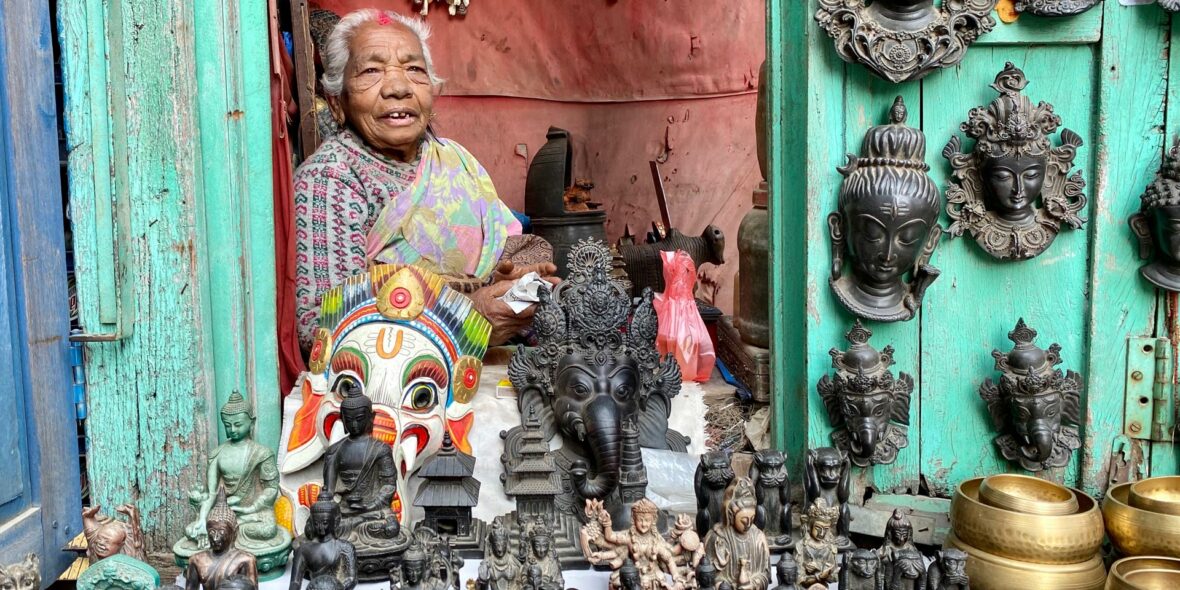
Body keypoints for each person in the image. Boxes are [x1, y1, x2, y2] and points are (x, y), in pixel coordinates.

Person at [294, 8, 555, 351]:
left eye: (414, 69)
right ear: (337, 103)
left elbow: (505, 247)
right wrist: (467, 320)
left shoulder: (455, 158)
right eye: (372, 70)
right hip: (397, 377)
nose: (398, 87)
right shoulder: (331, 177)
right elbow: (322, 324)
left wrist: (514, 281)